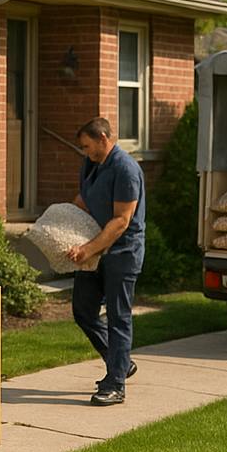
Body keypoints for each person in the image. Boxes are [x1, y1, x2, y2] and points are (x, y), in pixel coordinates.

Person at [66, 116, 146, 406]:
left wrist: (87, 249)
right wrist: (61, 222)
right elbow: (84, 200)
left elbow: (122, 221)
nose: (85, 152)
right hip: (95, 250)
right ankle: (121, 361)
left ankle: (115, 384)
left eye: (88, 146)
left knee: (118, 317)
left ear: (103, 138)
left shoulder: (126, 169)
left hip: (122, 253)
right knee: (83, 311)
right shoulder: (92, 164)